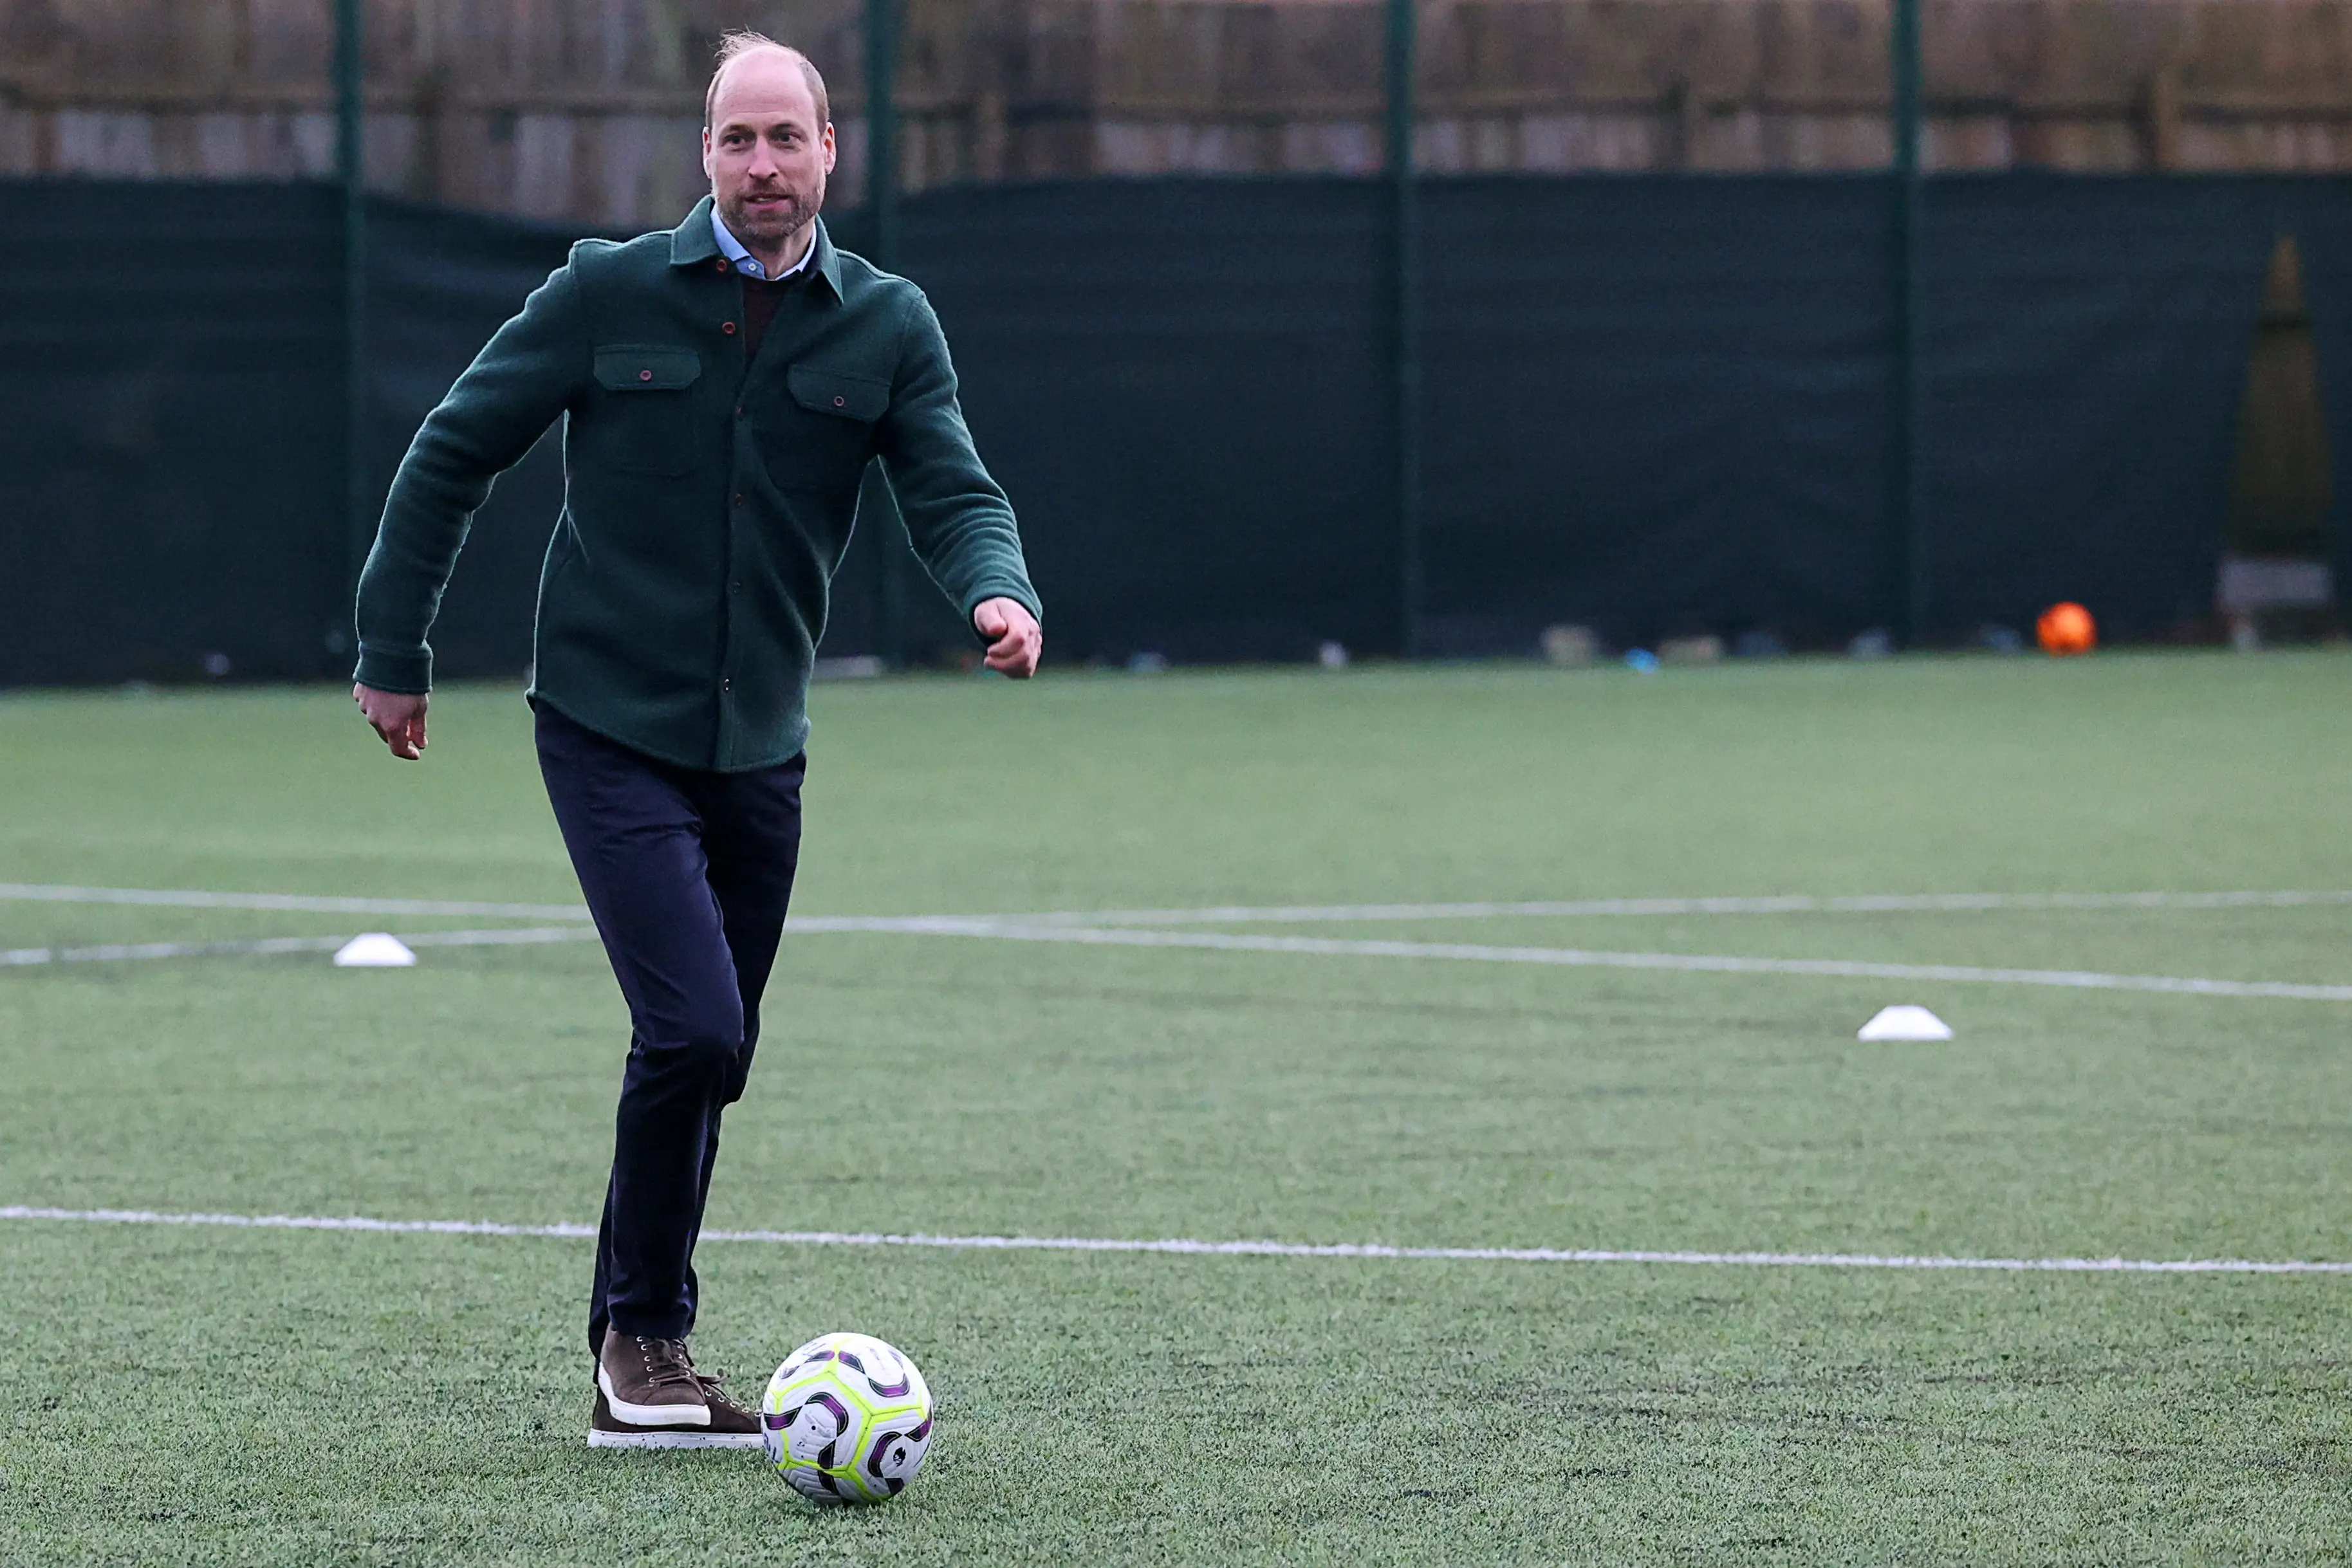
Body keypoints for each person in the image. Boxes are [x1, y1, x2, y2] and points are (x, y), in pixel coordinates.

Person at [347, 32, 1042, 1449]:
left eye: (788, 138)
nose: (764, 164)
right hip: (608, 725)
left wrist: (998, 586)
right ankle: (644, 1342)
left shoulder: (889, 324)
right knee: (696, 1024)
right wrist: (392, 652)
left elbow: (951, 485)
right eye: (739, 140)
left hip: (762, 747)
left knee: (710, 1051)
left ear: (832, 150)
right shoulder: (606, 291)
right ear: (705, 155)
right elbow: (451, 451)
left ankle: (631, 1346)